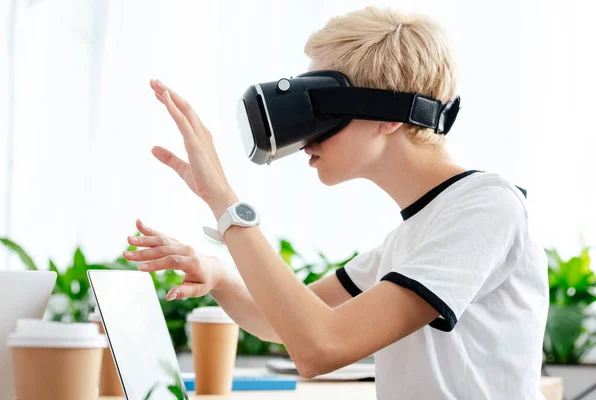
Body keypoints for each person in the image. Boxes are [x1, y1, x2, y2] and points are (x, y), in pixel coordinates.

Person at [124, 7, 548, 399]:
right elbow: (283, 323)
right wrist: (218, 275)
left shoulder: (488, 209)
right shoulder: (409, 239)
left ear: (390, 114)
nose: (304, 136)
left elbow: (320, 346)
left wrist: (223, 197)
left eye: (320, 109)